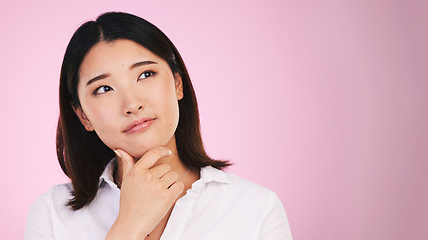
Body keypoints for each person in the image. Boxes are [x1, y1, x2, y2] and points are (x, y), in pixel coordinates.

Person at [25, 12, 292, 240]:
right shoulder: (52, 214)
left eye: (145, 74)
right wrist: (128, 226)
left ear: (178, 83)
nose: (131, 104)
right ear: (83, 116)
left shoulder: (255, 209)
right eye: (104, 88)